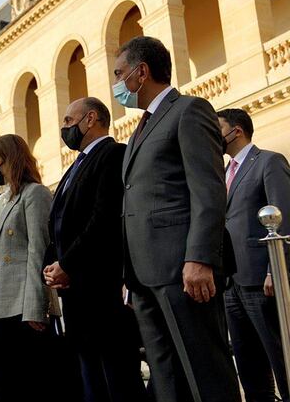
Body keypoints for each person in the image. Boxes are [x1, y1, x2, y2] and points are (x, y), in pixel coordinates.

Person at [113, 36, 239, 402]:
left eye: (120, 74)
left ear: (141, 72)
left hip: (183, 270)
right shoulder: (139, 129)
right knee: (165, 374)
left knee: (204, 370)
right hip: (144, 275)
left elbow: (208, 190)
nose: (117, 84)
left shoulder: (188, 110)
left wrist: (199, 257)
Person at [43, 98, 148, 402]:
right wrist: (53, 264)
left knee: (118, 378)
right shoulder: (74, 166)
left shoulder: (113, 154)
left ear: (90, 119)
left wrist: (69, 264)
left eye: (67, 120)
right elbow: (60, 222)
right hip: (75, 292)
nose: (64, 128)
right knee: (91, 380)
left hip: (102, 289)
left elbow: (103, 219)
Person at [219, 108, 290, 402]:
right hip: (230, 284)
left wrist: (277, 269)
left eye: (217, 128)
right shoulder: (222, 172)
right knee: (248, 365)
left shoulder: (269, 162)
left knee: (280, 357)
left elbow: (284, 216)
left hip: (262, 280)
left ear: (236, 130)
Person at [0, 134, 55, 401]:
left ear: (9, 158)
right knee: (9, 386)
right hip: (2, 308)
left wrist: (36, 306)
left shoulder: (35, 193)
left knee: (30, 384)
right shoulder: (3, 201)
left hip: (24, 308)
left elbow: (39, 251)